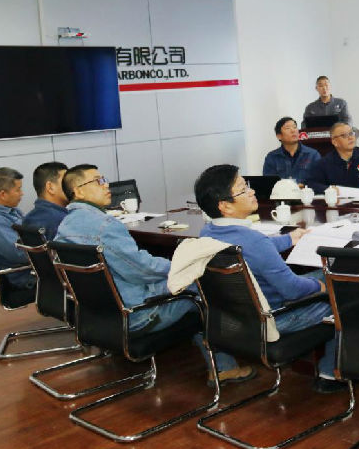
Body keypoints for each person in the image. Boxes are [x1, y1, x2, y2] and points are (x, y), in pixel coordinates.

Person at [55, 164, 254, 385]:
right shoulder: (104, 225)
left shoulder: (64, 226)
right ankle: (229, 363)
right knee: (202, 282)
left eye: (104, 179)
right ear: (78, 191)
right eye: (98, 181)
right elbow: (141, 270)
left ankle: (224, 355)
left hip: (97, 316)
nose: (106, 185)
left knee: (188, 279)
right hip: (136, 314)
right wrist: (181, 265)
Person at [194, 164, 346, 393]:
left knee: (322, 278)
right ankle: (330, 373)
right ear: (225, 205)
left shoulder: (207, 233)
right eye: (243, 189)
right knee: (342, 288)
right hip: (274, 317)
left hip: (234, 319)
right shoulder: (254, 241)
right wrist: (322, 286)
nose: (252, 191)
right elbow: (292, 290)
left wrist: (290, 239)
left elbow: (255, 247)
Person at [262, 117, 321, 183]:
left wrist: (303, 185)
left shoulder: (313, 155)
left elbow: (319, 180)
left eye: (295, 127)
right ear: (279, 136)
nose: (293, 130)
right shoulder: (272, 157)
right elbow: (269, 183)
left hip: (306, 189)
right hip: (282, 190)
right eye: (288, 128)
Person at [23, 161, 69, 240]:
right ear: (50, 187)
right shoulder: (62, 221)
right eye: (66, 182)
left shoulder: (30, 217)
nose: (72, 186)